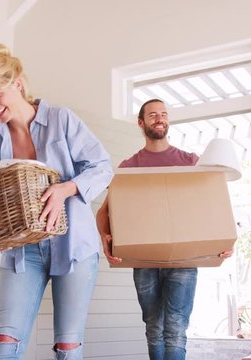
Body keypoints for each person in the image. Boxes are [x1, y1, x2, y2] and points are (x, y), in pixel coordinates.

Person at [0, 43, 113, 360]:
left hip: (73, 244)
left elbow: (102, 167)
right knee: (4, 342)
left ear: (17, 84)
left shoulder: (62, 120)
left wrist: (65, 188)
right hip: (21, 251)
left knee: (67, 345)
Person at [96, 99, 233, 360]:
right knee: (153, 326)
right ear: (141, 122)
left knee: (176, 327)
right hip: (144, 260)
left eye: (164, 114)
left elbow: (211, 206)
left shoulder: (191, 162)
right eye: (153, 115)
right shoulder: (129, 167)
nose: (160, 119)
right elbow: (104, 212)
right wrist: (106, 240)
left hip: (184, 259)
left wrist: (224, 241)